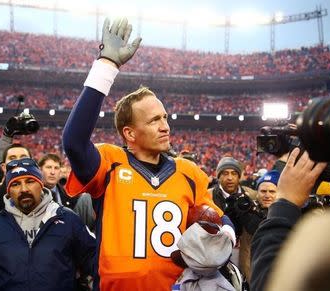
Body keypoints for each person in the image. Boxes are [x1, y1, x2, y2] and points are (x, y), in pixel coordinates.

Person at [63, 18, 224, 290]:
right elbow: (74, 141)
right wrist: (106, 67)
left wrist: (226, 231)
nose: (165, 126)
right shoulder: (111, 162)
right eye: (153, 121)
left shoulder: (188, 172)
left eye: (165, 117)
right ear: (129, 133)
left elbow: (216, 217)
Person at [0, 158, 96, 291]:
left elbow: (93, 261)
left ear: (41, 185)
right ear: (8, 191)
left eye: (30, 181)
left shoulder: (68, 220)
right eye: (15, 184)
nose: (24, 189)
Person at [250, 148, 327, 291]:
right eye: (263, 191)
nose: (267, 195)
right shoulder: (248, 211)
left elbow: (270, 280)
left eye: (272, 191)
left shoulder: (303, 215)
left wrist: (285, 202)